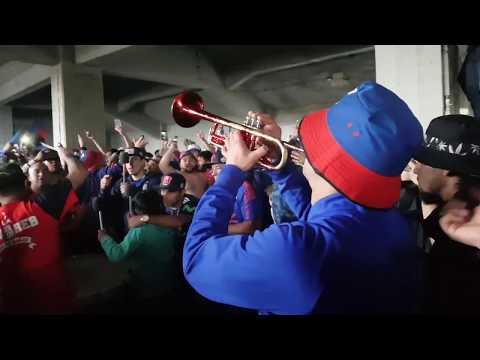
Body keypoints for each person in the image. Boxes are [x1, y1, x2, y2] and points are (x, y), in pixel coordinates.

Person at [182, 81, 424, 315]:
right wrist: (279, 165)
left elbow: (196, 260)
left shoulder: (294, 250)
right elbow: (323, 219)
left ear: (327, 160)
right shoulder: (393, 224)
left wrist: (232, 171)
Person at [0, 144, 88, 314]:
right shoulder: (45, 205)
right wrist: (66, 155)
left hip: (13, 305)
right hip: (56, 301)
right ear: (27, 183)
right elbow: (80, 173)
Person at [410, 114, 480, 315]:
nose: (416, 169)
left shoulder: (460, 243)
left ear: (447, 169)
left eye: (423, 161)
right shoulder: (456, 220)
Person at [98, 190, 178, 314]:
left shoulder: (139, 232)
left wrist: (104, 238)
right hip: (167, 284)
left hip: (145, 288)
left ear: (138, 211)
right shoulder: (170, 224)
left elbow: (117, 255)